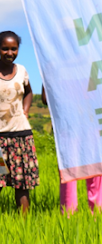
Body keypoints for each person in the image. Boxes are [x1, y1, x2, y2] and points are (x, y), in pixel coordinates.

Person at [0, 31, 38, 215]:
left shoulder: (22, 70)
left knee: (23, 185)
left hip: (22, 136)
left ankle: (24, 229)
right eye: (5, 48)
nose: (9, 53)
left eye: (14, 49)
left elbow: (28, 92)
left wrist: (25, 110)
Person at [41, 86, 102, 214]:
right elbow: (46, 99)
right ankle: (95, 215)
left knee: (73, 173)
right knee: (90, 174)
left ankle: (70, 216)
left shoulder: (56, 66)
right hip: (79, 128)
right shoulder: (57, 66)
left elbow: (46, 99)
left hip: (76, 128)